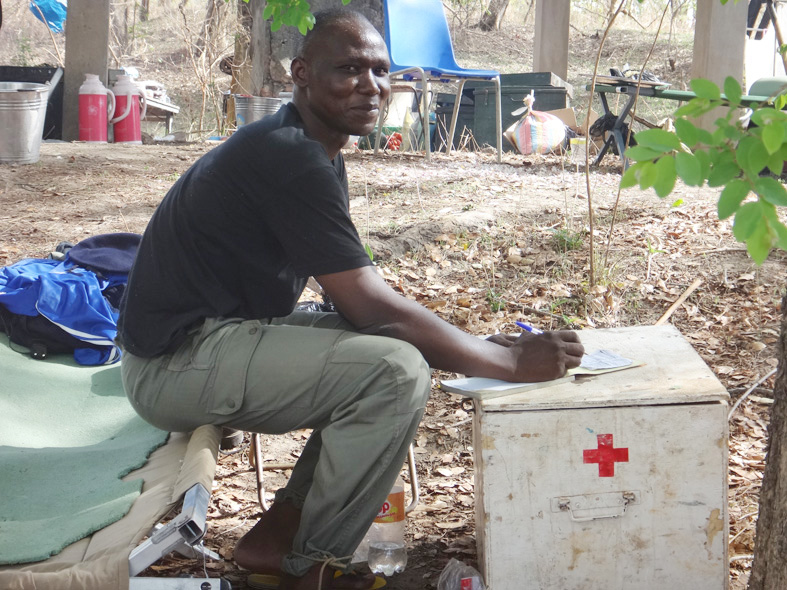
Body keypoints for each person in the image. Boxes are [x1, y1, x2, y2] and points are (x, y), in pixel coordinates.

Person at [117, 8, 584, 590]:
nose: (372, 85)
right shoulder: (288, 154)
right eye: (349, 69)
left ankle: (279, 537)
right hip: (174, 363)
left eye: (382, 71)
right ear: (302, 75)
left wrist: (472, 346)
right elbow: (369, 304)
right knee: (394, 373)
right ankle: (308, 566)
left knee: (384, 351)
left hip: (205, 346)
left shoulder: (314, 153)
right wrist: (510, 363)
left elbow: (357, 299)